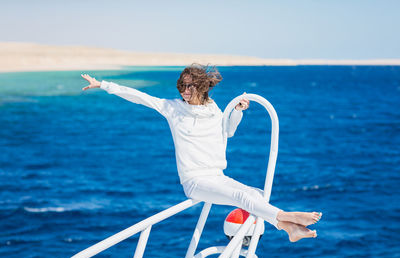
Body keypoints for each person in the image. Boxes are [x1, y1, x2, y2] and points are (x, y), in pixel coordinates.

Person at [81, 63, 322, 242]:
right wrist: (104, 85)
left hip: (217, 176)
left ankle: (288, 229)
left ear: (201, 86)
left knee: (256, 193)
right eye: (182, 85)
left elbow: (227, 132)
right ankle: (288, 217)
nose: (185, 90)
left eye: (190, 85)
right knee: (244, 198)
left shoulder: (214, 109)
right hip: (195, 180)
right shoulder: (172, 108)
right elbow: (139, 97)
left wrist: (237, 111)